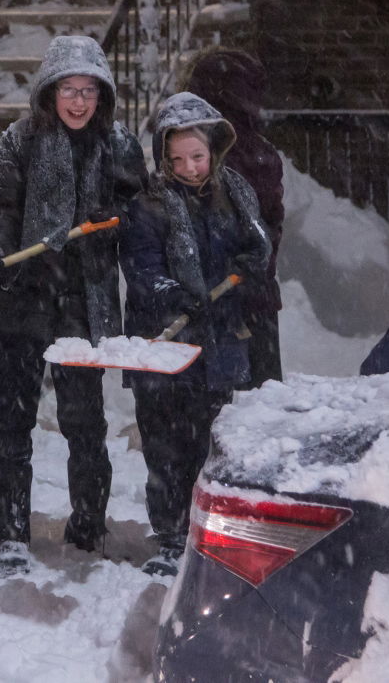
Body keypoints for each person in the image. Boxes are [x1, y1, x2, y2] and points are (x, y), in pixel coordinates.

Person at [0, 35, 147, 577]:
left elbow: (141, 217)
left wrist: (116, 213)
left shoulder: (117, 146)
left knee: (84, 424)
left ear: (103, 95)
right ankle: (13, 533)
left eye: (88, 91)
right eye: (68, 89)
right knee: (12, 422)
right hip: (22, 298)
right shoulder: (19, 141)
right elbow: (1, 210)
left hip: (81, 303)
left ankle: (88, 528)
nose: (77, 102)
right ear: (49, 91)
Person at [120, 92, 271, 577]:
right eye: (177, 158)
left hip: (220, 343)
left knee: (211, 442)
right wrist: (174, 295)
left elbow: (258, 243)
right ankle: (169, 538)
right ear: (163, 156)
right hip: (165, 344)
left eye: (198, 157)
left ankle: (209, 534)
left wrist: (247, 267)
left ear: (215, 151)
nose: (188, 167)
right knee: (166, 447)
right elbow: (141, 266)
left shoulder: (235, 194)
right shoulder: (149, 205)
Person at [183, 48, 285, 387]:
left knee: (220, 406)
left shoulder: (197, 156)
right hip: (251, 296)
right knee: (259, 408)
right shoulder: (260, 153)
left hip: (219, 299)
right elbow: (270, 227)